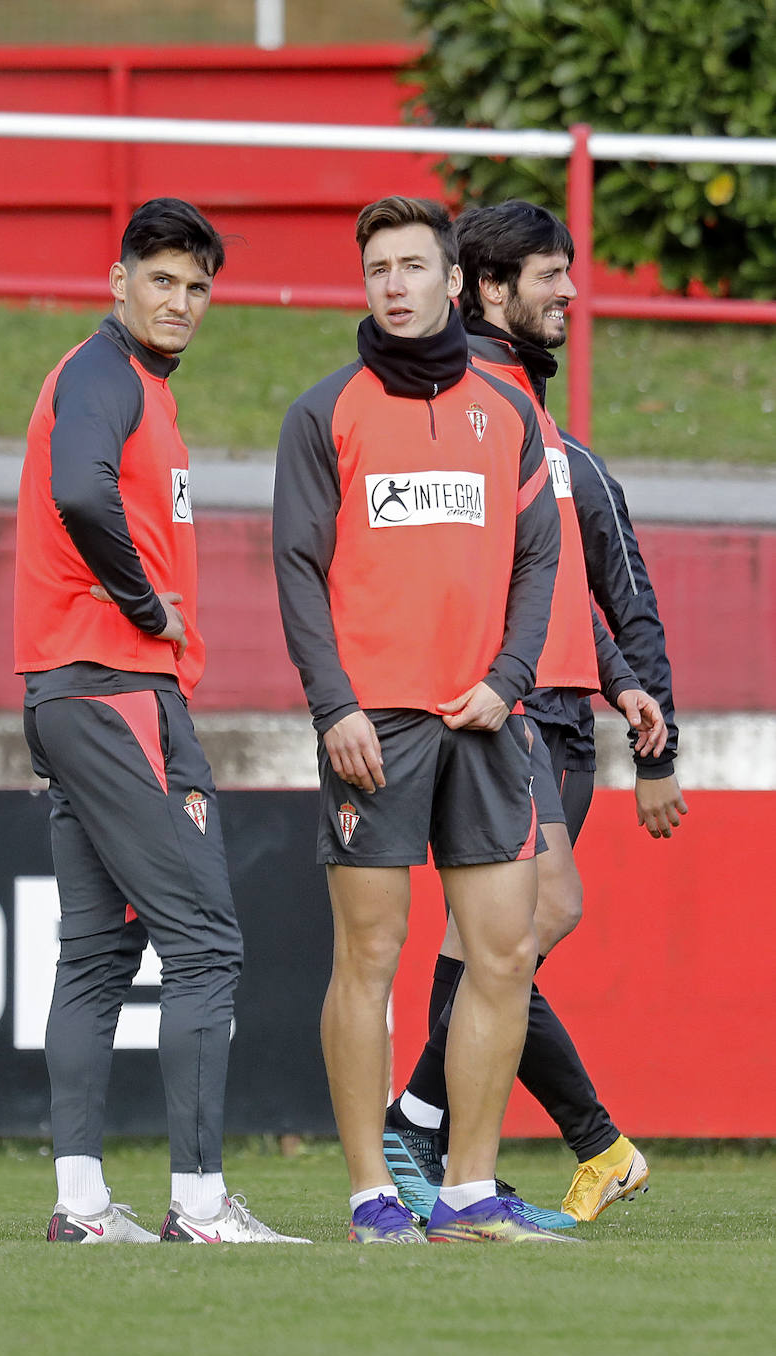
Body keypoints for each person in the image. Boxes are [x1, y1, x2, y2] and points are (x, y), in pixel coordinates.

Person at [273, 194, 578, 1244]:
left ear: (455, 282)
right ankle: (370, 1196)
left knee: (502, 954)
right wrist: (333, 707)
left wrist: (509, 674)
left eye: (412, 266)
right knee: (368, 958)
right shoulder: (326, 412)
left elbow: (540, 556)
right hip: (374, 730)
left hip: (487, 721)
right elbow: (297, 573)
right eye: (376, 271)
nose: (393, 286)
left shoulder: (509, 411)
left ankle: (466, 1193)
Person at [383, 200, 686, 1227]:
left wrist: (620, 681)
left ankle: (441, 1129)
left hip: (555, 708)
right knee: (524, 921)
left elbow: (562, 580)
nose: (569, 290)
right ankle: (441, 1127)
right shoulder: (466, 403)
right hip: (498, 709)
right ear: (486, 289)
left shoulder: (531, 415)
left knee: (514, 928)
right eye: (547, 275)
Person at [14, 196, 308, 1245]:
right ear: (118, 280)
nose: (180, 301)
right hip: (113, 686)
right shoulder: (101, 374)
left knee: (95, 956)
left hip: (75, 692)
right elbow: (80, 495)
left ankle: (85, 1208)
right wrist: (144, 606)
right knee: (205, 945)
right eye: (162, 280)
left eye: (197, 287)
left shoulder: (137, 387)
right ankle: (198, 1204)